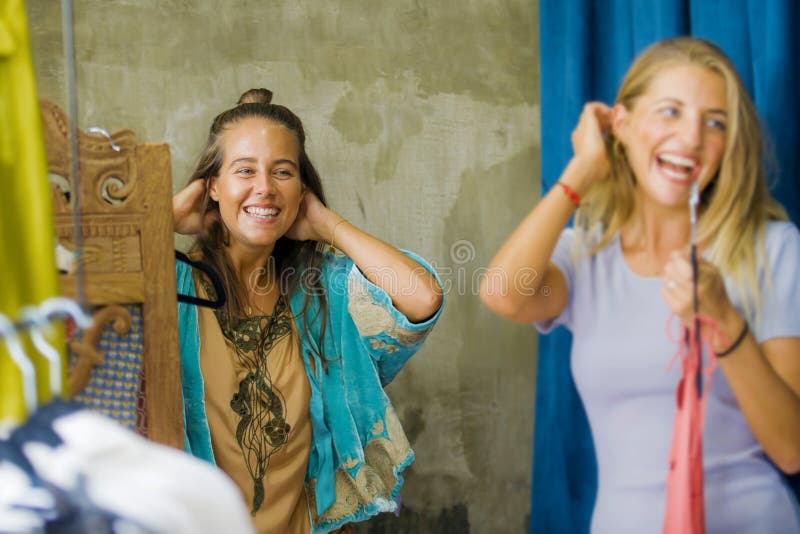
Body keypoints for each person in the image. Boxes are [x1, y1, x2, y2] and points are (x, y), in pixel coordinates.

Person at [480, 37, 800, 533]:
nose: (692, 137)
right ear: (622, 125)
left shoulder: (775, 249)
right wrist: (583, 169)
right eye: (670, 112)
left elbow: (793, 449)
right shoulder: (585, 256)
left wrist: (725, 323)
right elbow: (502, 293)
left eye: (715, 122)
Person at [172, 88, 444, 534]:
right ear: (212, 187)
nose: (265, 187)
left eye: (283, 171)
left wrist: (326, 224)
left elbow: (422, 299)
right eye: (245, 170)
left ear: (302, 190)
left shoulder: (319, 291)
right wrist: (162, 218)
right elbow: (67, 300)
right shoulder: (173, 285)